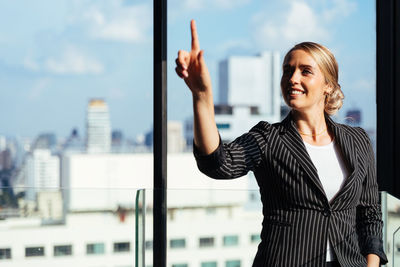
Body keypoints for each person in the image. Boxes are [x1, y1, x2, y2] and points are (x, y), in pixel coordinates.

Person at [175, 20, 388, 267]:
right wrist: (202, 96)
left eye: (305, 71)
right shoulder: (269, 138)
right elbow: (218, 163)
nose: (292, 78)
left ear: (328, 85)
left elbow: (370, 214)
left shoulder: (358, 140)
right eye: (287, 70)